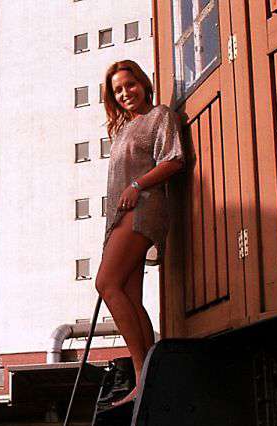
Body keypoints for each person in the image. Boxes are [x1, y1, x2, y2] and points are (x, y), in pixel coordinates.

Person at [95, 60, 184, 407]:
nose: (125, 93)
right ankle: (150, 376)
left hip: (144, 208)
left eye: (130, 85)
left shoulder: (159, 116)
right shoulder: (121, 130)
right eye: (118, 90)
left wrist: (137, 185)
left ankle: (140, 376)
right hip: (122, 215)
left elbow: (174, 159)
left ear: (144, 84)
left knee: (106, 283)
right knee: (129, 295)